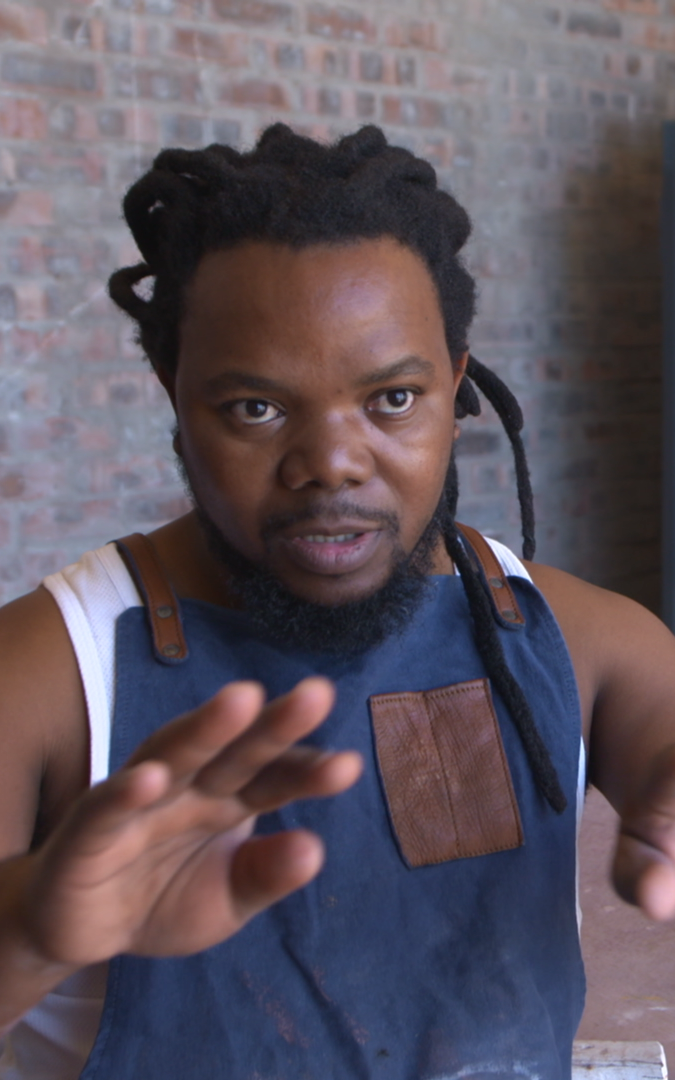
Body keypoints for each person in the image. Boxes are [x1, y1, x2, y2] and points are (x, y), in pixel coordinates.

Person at [0, 123, 674, 1080]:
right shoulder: (43, 675)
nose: (331, 464)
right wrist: (29, 926)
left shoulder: (586, 642)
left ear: (453, 383)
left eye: (391, 399)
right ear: (172, 392)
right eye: (256, 409)